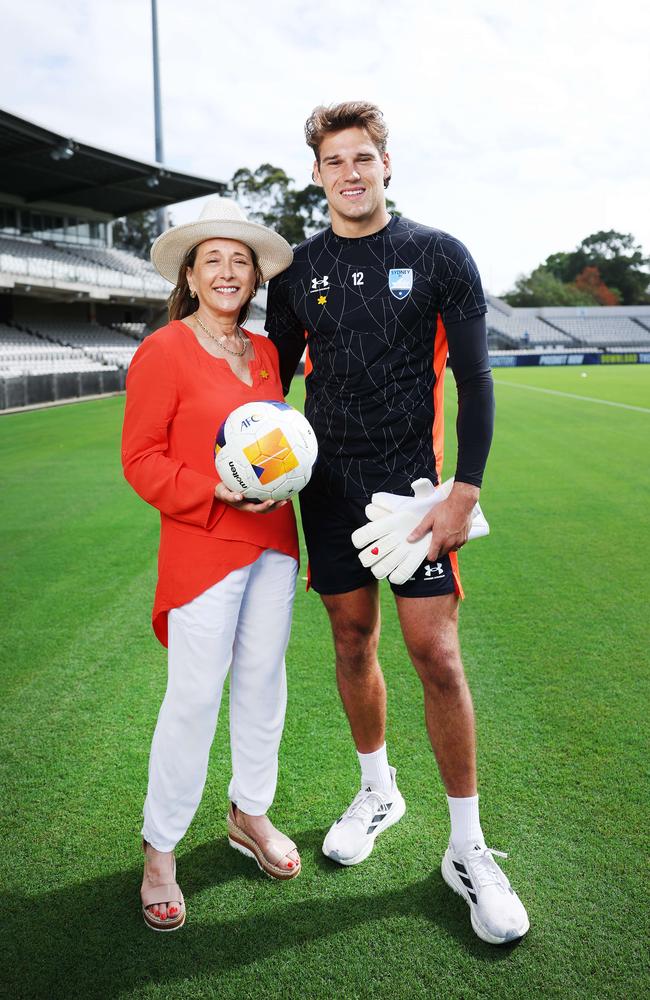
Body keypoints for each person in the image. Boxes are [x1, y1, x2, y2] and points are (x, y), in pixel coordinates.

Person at [265, 102, 529, 945]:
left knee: (436, 657)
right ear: (317, 174)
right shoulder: (296, 270)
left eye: (363, 157)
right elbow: (267, 383)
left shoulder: (439, 254)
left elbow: (479, 381)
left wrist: (467, 488)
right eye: (334, 160)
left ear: (387, 164)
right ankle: (378, 791)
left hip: (415, 493)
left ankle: (466, 849)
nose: (350, 172)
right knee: (351, 643)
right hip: (328, 493)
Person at [122, 197, 302, 933]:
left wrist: (279, 484)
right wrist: (213, 492)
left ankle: (248, 814)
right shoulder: (163, 350)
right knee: (194, 698)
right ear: (191, 277)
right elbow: (141, 461)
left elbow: (277, 446)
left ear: (255, 276)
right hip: (203, 544)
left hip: (275, 543)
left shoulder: (264, 354)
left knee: (264, 684)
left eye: (240, 261)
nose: (228, 272)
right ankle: (159, 849)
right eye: (213, 261)